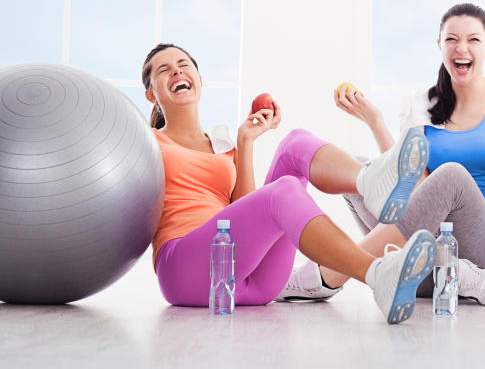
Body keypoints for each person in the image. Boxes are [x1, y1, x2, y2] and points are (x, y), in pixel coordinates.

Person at [141, 43, 435, 324]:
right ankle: (377, 274)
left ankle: (368, 182)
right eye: (164, 70)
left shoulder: (224, 146)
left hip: (252, 281)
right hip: (184, 271)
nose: (177, 72)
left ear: (200, 81)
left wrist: (246, 142)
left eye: (183, 65)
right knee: (283, 191)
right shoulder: (148, 142)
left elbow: (242, 212)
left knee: (294, 142)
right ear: (151, 94)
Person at [279, 3, 485, 303]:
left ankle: (331, 272)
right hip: (427, 268)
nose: (461, 48)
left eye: (473, 39)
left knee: (451, 175)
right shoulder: (425, 104)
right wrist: (375, 121)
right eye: (451, 39)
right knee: (358, 170)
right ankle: (404, 269)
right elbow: (404, 185)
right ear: (439, 45)